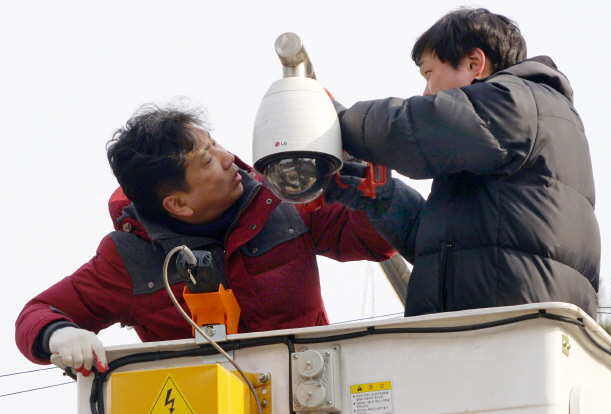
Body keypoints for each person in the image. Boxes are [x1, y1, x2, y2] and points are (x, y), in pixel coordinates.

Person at [15, 104, 395, 375]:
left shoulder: (283, 198)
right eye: (207, 160)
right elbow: (36, 314)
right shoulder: (130, 258)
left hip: (311, 394)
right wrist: (59, 334)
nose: (229, 157)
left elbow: (376, 240)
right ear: (178, 204)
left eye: (215, 144)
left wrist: (359, 174)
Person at [329, 8, 600, 319]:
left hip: (508, 335)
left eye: (429, 73)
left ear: (474, 63)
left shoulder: (515, 103)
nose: (426, 91)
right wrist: (378, 195)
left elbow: (414, 128)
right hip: (502, 334)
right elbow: (444, 250)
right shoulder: (492, 142)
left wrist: (338, 122)